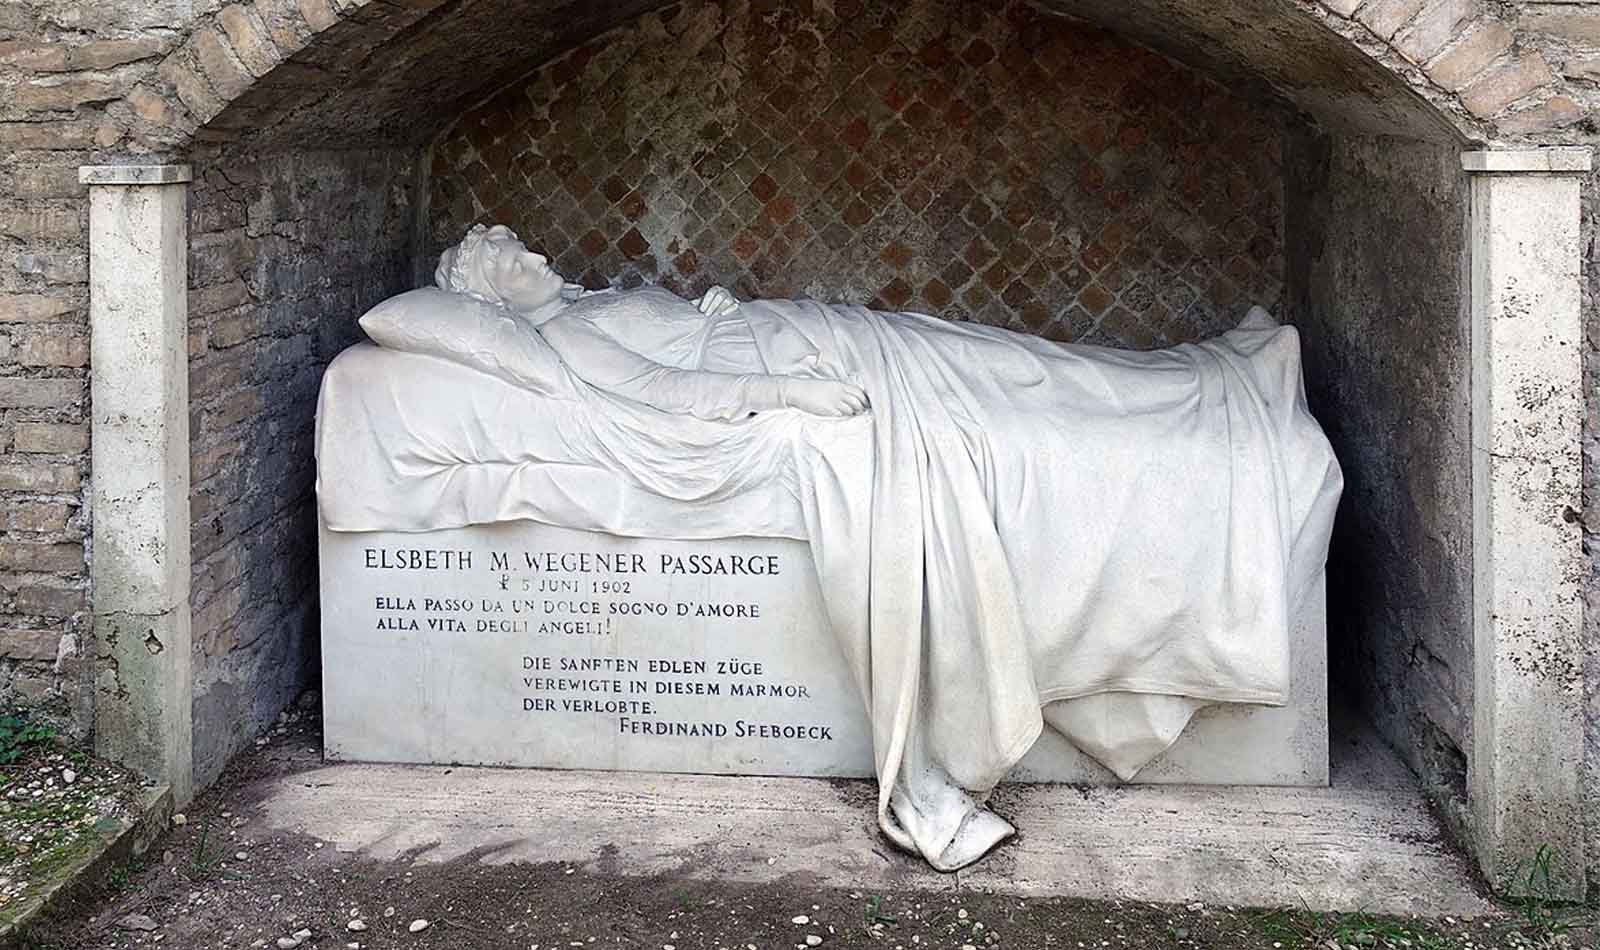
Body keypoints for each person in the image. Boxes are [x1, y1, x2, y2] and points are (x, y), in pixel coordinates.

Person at [435, 224, 867, 421]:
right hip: (761, 359)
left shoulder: (580, 305)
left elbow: (665, 334)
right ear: (504, 304)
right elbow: (664, 386)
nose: (539, 259)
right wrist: (793, 392)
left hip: (763, 328)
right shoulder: (566, 335)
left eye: (525, 249)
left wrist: (707, 304)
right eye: (517, 268)